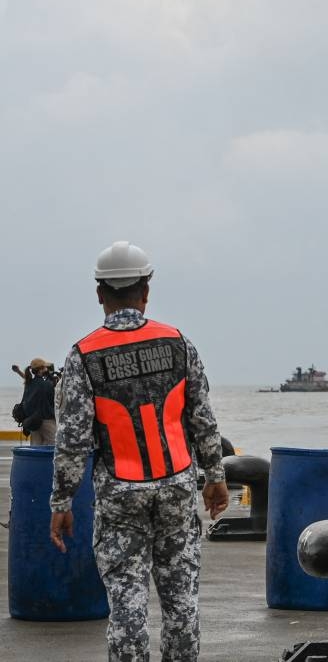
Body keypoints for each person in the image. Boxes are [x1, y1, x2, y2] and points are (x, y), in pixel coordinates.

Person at [49, 241, 229, 662]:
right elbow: (202, 419)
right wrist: (216, 476)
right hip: (177, 487)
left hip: (120, 494)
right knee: (181, 602)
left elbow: (73, 440)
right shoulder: (178, 344)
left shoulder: (83, 356)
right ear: (146, 290)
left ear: (99, 293)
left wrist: (62, 501)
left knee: (127, 604)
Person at [19, 357, 58, 444]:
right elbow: (56, 401)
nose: (47, 369)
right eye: (45, 367)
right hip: (47, 421)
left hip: (33, 422)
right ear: (41, 370)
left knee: (36, 448)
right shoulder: (47, 384)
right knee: (52, 448)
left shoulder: (29, 384)